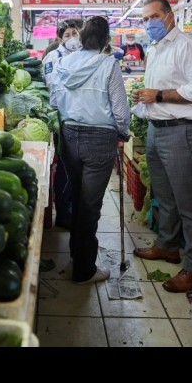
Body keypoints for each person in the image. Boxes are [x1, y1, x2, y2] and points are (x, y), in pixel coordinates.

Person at [131, 0, 192, 293]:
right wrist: (145, 98)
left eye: (154, 17)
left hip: (182, 132)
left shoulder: (187, 46)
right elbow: (159, 90)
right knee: (164, 197)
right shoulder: (155, 49)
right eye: (145, 19)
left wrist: (159, 95)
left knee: (188, 203)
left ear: (170, 16)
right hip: (157, 130)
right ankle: (167, 245)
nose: (149, 23)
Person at [52, 16, 131, 284]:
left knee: (77, 199)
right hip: (99, 139)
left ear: (80, 39)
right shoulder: (109, 64)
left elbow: (54, 100)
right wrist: (123, 132)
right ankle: (84, 269)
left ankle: (77, 256)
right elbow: (120, 110)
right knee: (89, 206)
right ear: (106, 41)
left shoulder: (63, 63)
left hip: (69, 136)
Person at [42, 18, 83, 229]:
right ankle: (64, 214)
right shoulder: (53, 57)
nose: (72, 38)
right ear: (60, 39)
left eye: (75, 33)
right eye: (67, 35)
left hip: (81, 117)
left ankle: (74, 210)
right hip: (63, 117)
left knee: (77, 168)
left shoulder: (84, 54)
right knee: (66, 167)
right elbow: (53, 85)